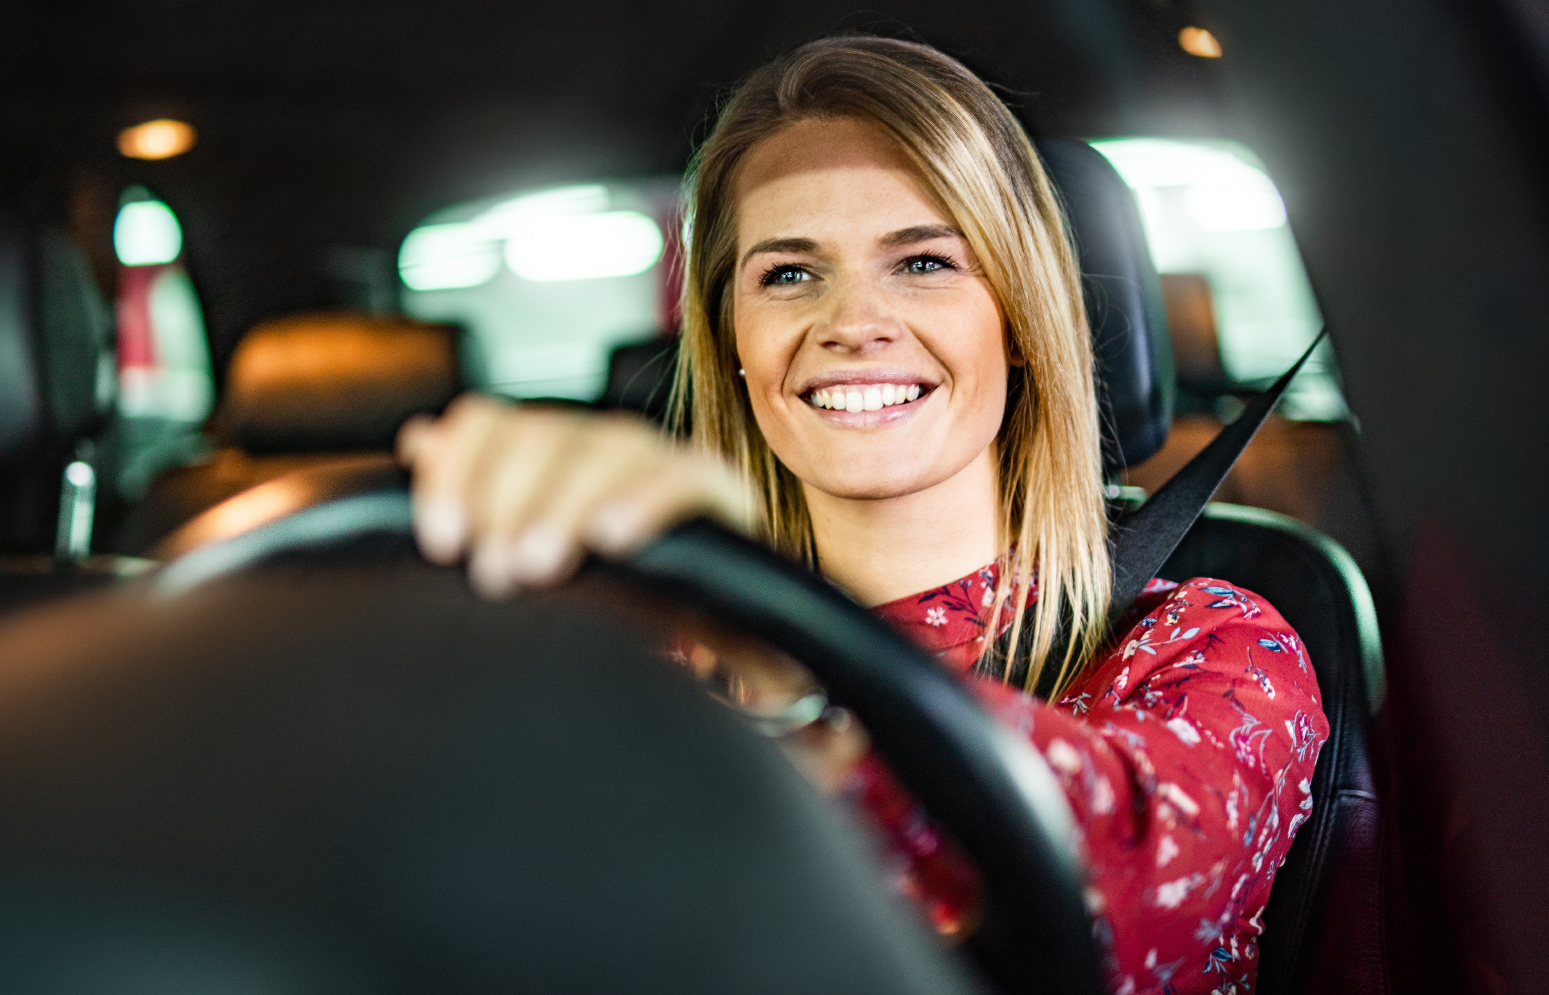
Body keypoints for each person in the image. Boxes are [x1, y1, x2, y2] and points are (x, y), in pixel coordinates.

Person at [396, 36, 1326, 995]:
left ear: (1018, 318)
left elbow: (1114, 912)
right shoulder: (630, 666)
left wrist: (787, 664)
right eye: (789, 275)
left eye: (923, 261)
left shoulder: (1210, 646)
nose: (851, 322)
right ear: (734, 342)